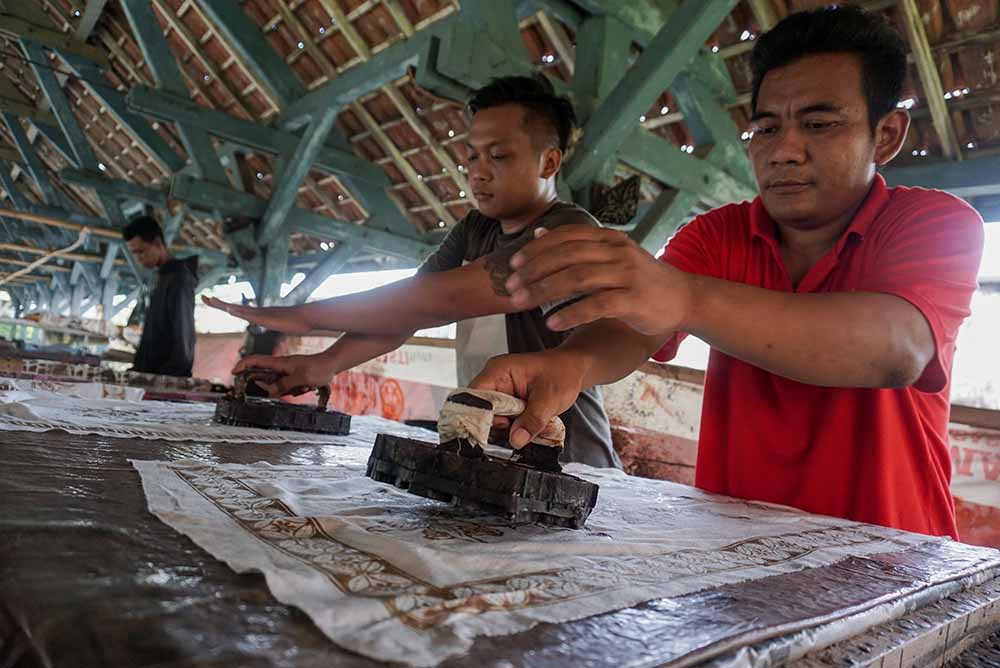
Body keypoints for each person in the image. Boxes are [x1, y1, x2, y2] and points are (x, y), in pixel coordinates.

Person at [468, 6, 984, 538]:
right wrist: (569, 365)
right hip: (734, 556)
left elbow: (894, 349)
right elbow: (638, 324)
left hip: (891, 560)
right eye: (766, 127)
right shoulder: (717, 236)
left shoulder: (933, 223)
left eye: (819, 124)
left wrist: (684, 298)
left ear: (886, 135)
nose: (783, 150)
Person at [204, 76, 620, 469]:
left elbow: (440, 300)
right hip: (495, 446)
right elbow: (410, 309)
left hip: (569, 455)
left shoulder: (569, 231)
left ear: (549, 162)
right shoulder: (475, 230)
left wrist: (306, 315)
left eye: (498, 155)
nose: (477, 171)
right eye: (472, 155)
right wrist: (326, 362)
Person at [123, 216, 198, 377]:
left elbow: (184, 337)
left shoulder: (179, 278)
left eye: (141, 251)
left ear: (158, 243)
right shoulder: (162, 278)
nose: (138, 258)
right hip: (152, 376)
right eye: (134, 254)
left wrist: (168, 379)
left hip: (166, 379)